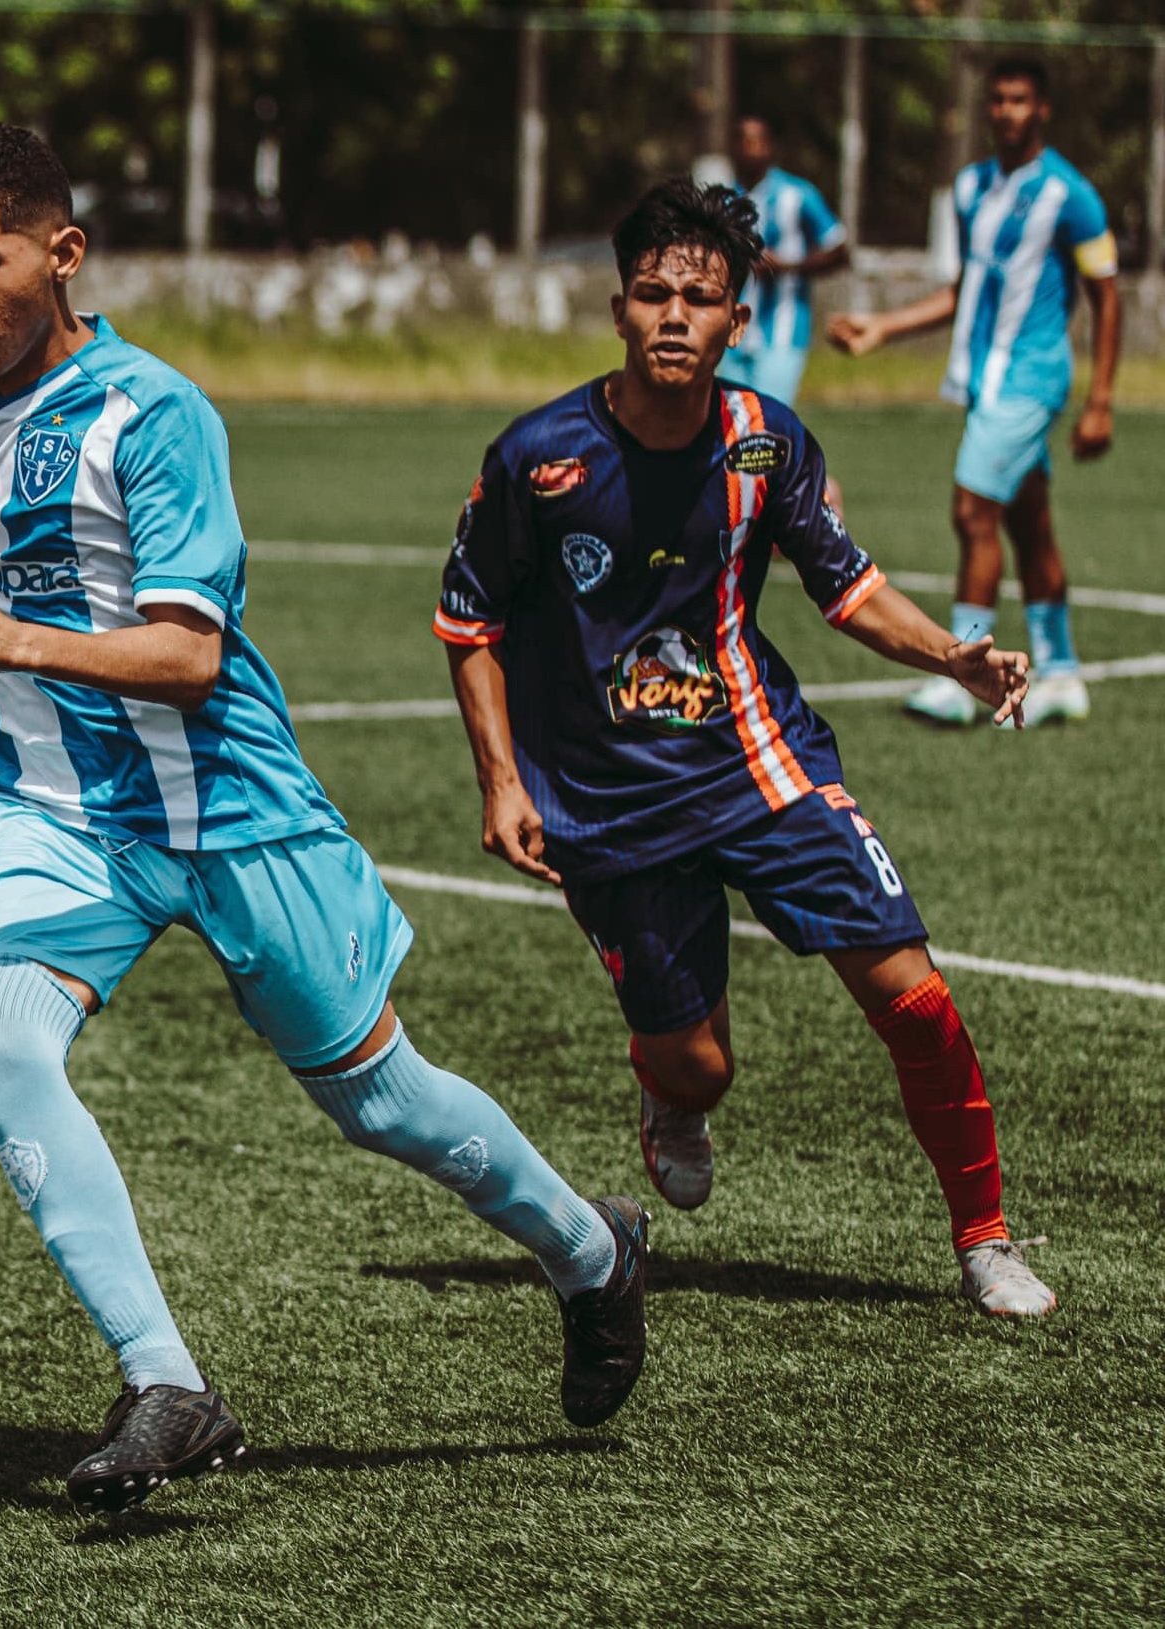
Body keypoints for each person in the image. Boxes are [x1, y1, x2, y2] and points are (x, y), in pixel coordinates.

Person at [0, 123, 649, 1515]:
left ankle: (589, 1250)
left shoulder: (154, 415)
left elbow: (187, 655)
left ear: (62, 250)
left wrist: (10, 636)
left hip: (229, 808)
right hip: (47, 812)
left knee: (378, 1101)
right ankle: (167, 1382)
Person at [434, 177, 1056, 1321]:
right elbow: (469, 626)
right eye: (656, 294)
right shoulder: (538, 458)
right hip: (607, 803)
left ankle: (986, 1240)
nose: (677, 316)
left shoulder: (767, 442)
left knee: (915, 997)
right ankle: (673, 1100)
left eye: (702, 300)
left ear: (738, 322)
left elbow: (848, 587)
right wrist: (503, 783)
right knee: (700, 1065)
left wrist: (953, 657)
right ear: (620, 310)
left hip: (761, 765)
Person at [829, 58, 1120, 728]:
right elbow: (965, 289)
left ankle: (961, 670)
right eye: (996, 99)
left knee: (970, 511)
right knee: (1026, 521)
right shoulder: (969, 188)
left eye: (1019, 99)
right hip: (982, 378)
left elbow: (1107, 296)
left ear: (1041, 108)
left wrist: (1100, 397)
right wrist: (884, 327)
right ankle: (1063, 671)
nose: (1006, 110)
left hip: (1032, 377)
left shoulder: (1068, 193)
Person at [721, 113, 850, 411]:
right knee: (730, 424)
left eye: (758, 141)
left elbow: (839, 250)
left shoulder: (797, 195)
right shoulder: (725, 199)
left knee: (768, 421)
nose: (751, 148)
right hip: (729, 332)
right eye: (744, 141)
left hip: (782, 329)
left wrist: (788, 267)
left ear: (771, 147)